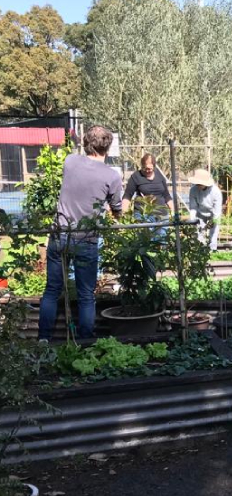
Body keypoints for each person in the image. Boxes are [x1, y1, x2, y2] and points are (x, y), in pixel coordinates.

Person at [38, 126, 123, 341]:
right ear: (108, 146)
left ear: (86, 143)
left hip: (60, 234)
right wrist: (115, 212)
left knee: (51, 290)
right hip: (86, 238)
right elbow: (117, 209)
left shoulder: (70, 161)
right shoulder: (112, 176)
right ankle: (86, 342)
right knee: (86, 295)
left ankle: (43, 339)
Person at [122, 153, 174, 240]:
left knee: (162, 242)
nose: (147, 171)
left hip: (161, 215)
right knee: (146, 242)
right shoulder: (136, 177)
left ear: (154, 167)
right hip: (143, 215)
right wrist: (124, 213)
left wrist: (173, 210)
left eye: (150, 169)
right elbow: (127, 196)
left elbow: (166, 195)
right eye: (144, 168)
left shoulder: (160, 176)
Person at [188, 168, 223, 251]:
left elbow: (217, 211)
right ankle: (201, 250)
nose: (198, 185)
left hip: (213, 213)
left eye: (200, 183)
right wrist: (192, 220)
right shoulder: (193, 190)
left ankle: (213, 250)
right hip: (200, 212)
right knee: (200, 232)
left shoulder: (215, 192)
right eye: (197, 183)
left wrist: (213, 221)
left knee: (213, 232)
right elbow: (193, 207)